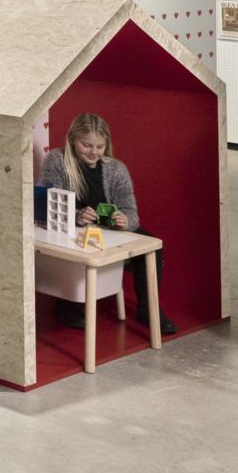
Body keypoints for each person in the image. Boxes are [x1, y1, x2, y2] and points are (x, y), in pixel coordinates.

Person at [36, 111, 175, 336]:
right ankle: (68, 303)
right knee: (77, 247)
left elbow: (131, 212)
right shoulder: (57, 161)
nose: (94, 152)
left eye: (100, 146)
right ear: (72, 139)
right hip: (74, 232)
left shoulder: (116, 168)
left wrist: (125, 221)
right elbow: (49, 205)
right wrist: (76, 216)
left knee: (151, 245)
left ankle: (149, 309)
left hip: (109, 231)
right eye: (87, 145)